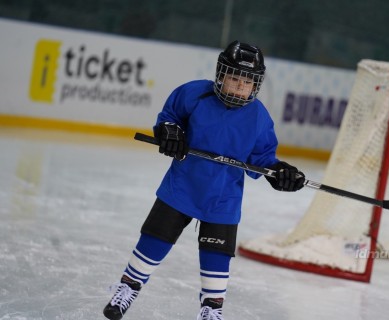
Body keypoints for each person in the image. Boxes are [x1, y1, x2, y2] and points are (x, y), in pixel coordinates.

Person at [103, 40, 305, 320]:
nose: (239, 87)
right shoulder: (194, 94)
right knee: (155, 239)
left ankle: (211, 310)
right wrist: (170, 132)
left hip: (224, 199)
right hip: (182, 187)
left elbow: (262, 159)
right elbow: (170, 117)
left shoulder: (259, 117)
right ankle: (128, 287)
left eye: (246, 82)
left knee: (217, 257)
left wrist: (279, 172)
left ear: (256, 85)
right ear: (221, 75)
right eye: (234, 78)